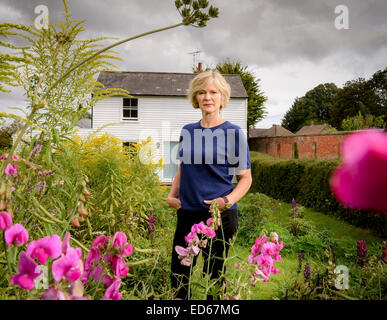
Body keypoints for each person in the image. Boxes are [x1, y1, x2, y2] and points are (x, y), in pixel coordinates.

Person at [167, 70, 252, 299]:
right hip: (188, 213)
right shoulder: (188, 131)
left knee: (214, 276)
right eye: (202, 92)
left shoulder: (233, 133)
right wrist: (172, 194)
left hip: (219, 216)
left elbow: (246, 178)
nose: (208, 97)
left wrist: (226, 202)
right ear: (195, 98)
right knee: (179, 272)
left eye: (213, 92)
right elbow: (183, 167)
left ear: (222, 98)